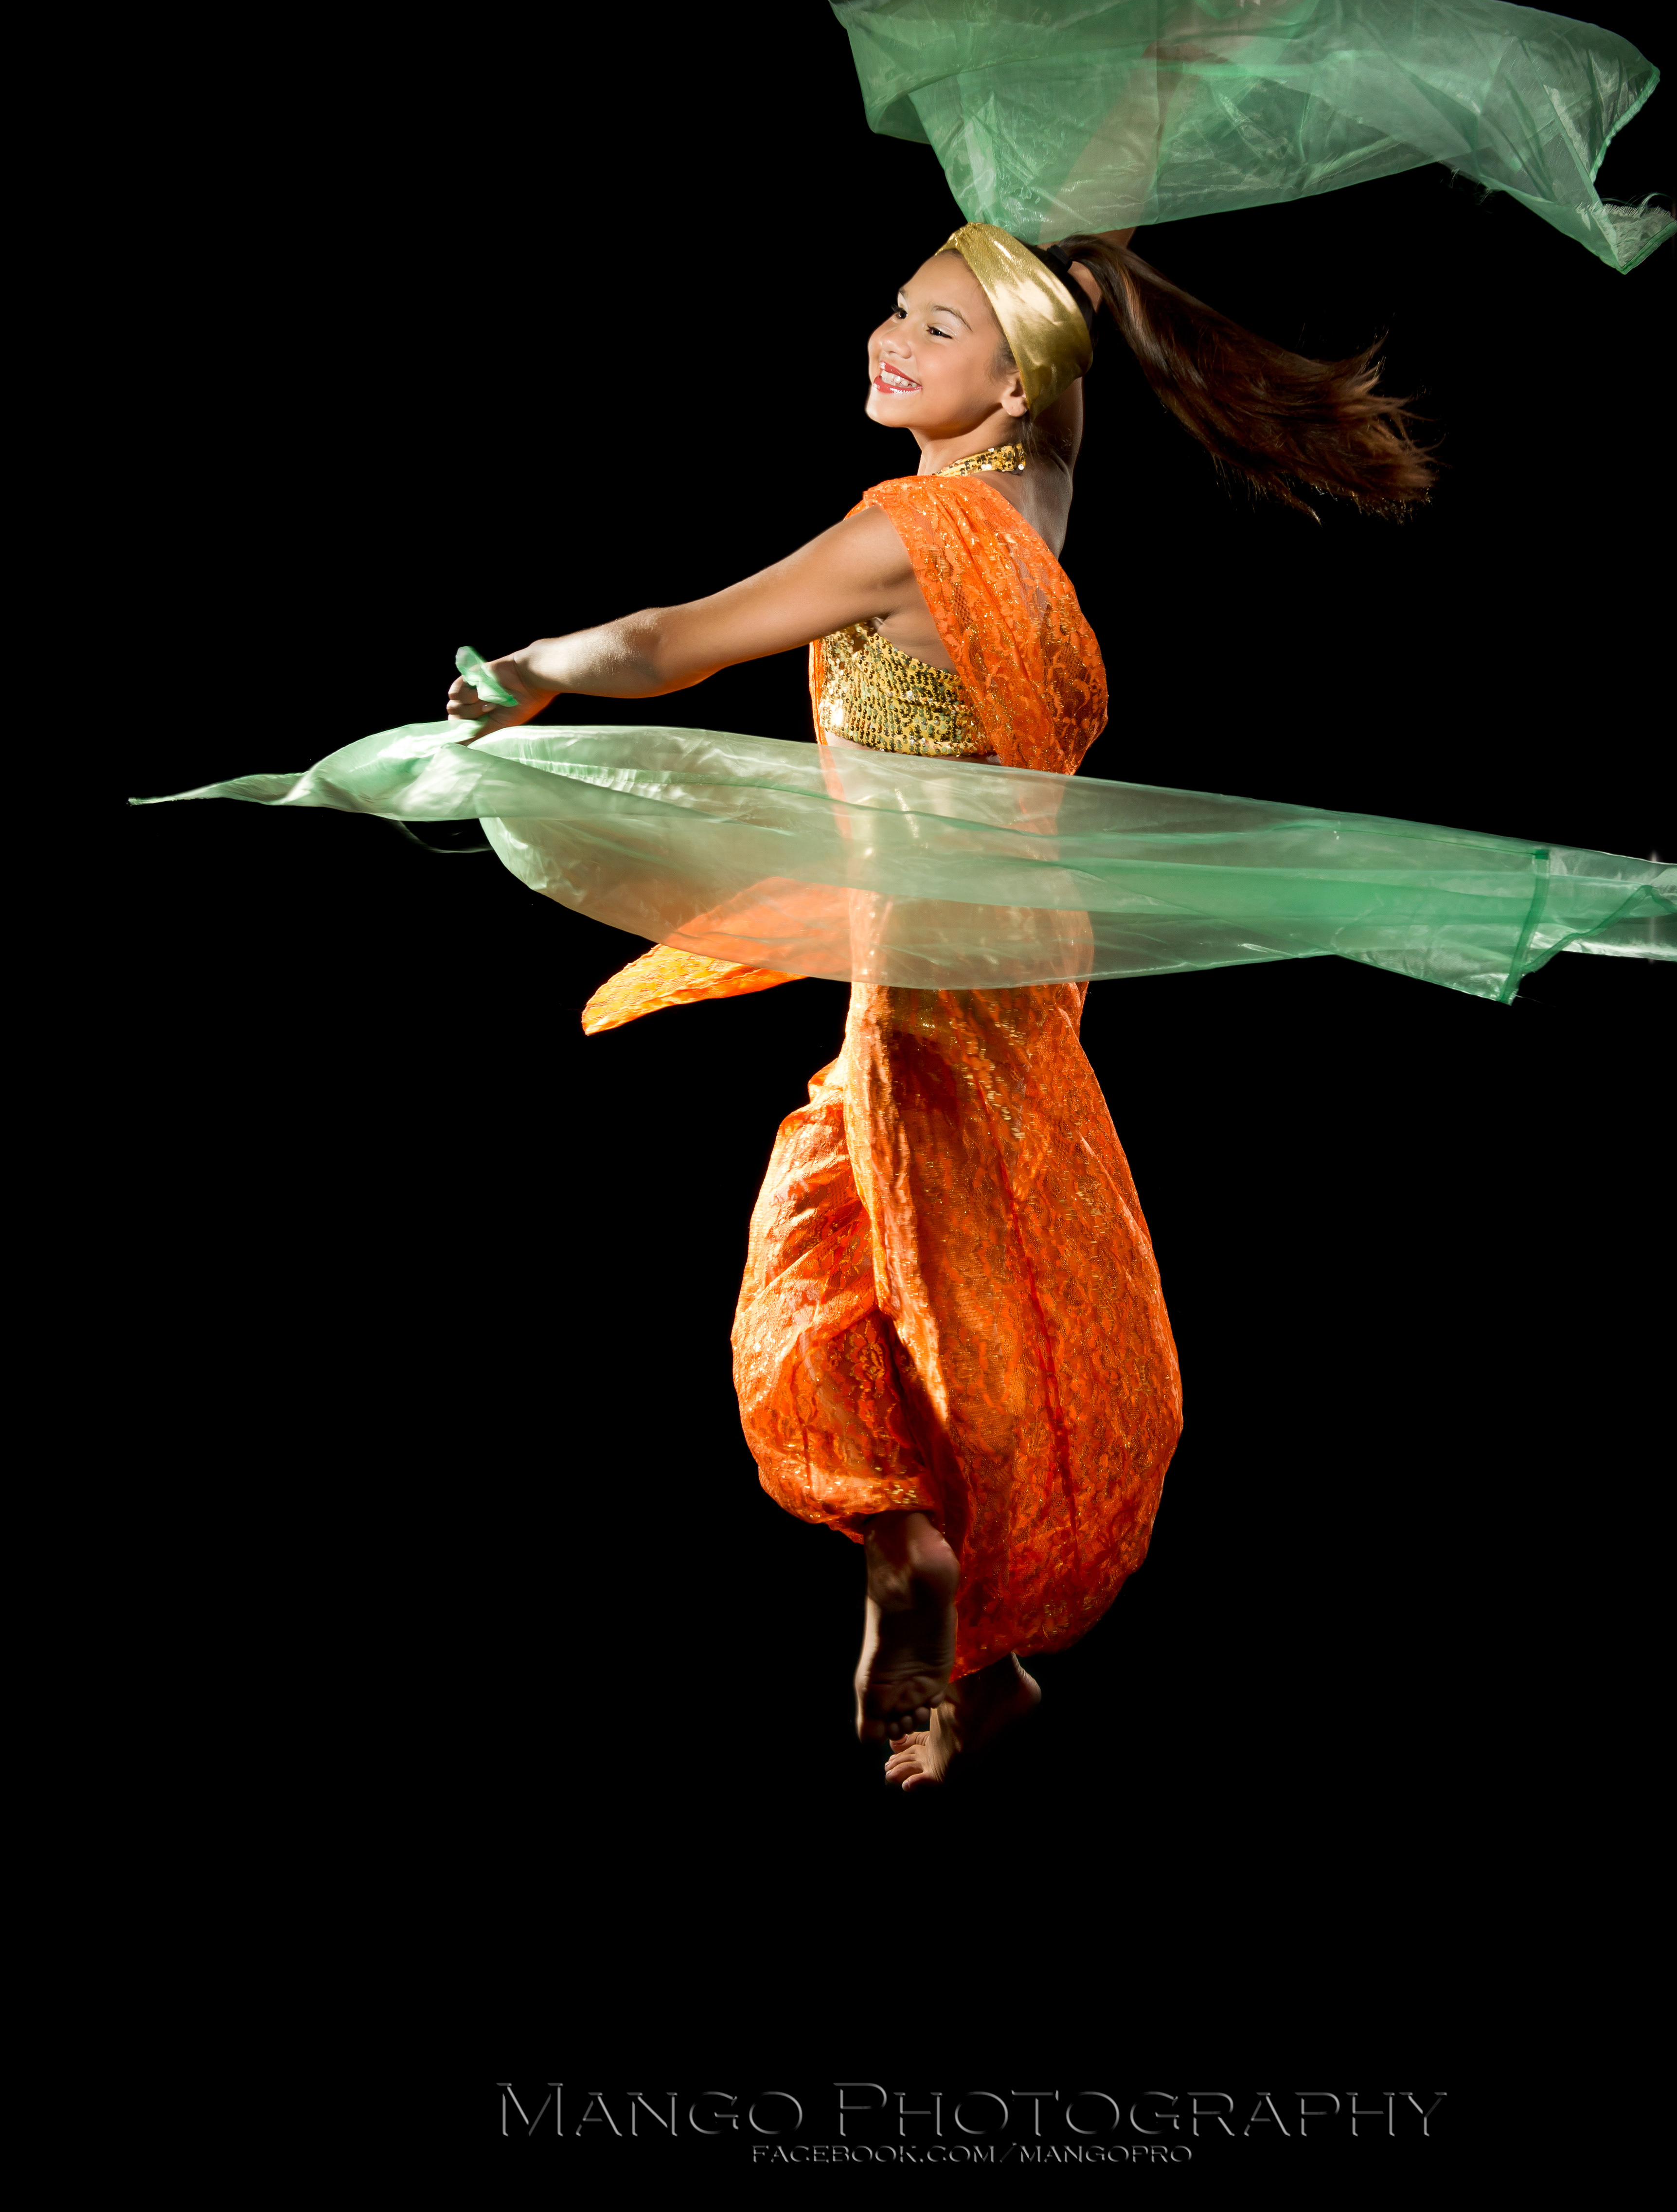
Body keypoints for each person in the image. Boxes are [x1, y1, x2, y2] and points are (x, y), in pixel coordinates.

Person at [439, 219, 1438, 1788]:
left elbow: (671, 642)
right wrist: (1083, 231)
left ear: (1018, 381)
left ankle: (920, 1558)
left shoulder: (910, 529)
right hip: (1027, 956)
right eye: (898, 310)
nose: (890, 342)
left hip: (922, 965)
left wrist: (526, 670)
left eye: (937, 329)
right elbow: (1067, 350)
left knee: (880, 1262)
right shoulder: (1038, 498)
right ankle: (964, 1617)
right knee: (943, 1242)